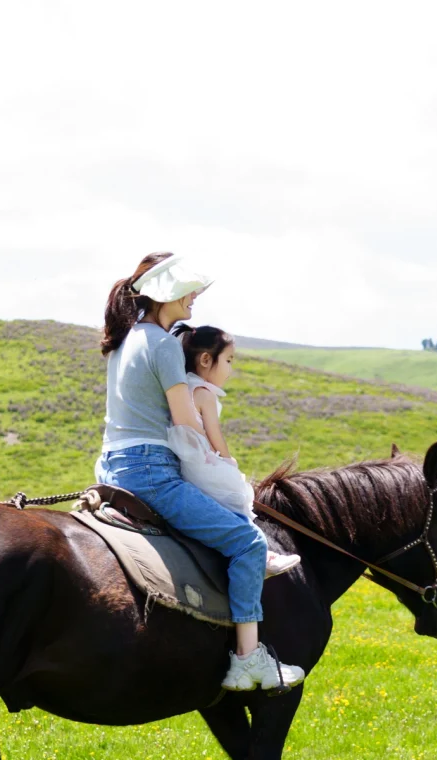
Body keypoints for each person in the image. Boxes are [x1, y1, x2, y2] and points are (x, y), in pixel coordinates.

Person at [95, 252, 305, 692]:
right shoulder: (164, 344)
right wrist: (217, 452)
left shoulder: (126, 341)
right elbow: (185, 419)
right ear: (165, 293)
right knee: (247, 542)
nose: (194, 298)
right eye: (187, 291)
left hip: (111, 465)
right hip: (150, 471)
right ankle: (248, 661)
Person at [166, 325, 300, 581]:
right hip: (203, 464)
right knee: (236, 499)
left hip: (187, 463)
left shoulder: (186, 388)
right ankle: (261, 553)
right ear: (206, 360)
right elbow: (214, 437)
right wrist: (228, 461)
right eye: (228, 360)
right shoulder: (204, 394)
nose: (231, 369)